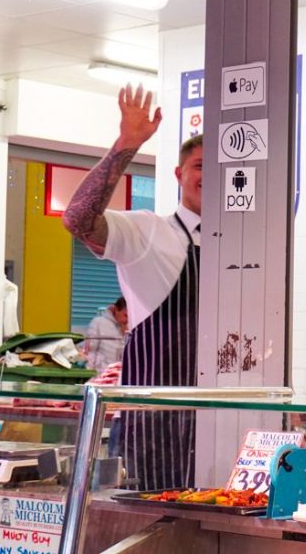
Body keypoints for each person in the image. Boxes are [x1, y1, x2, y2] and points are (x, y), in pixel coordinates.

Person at [63, 83, 201, 491]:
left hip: (224, 422)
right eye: (200, 165)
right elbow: (78, 219)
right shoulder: (147, 232)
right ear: (178, 174)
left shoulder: (248, 249)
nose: (211, 175)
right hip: (156, 427)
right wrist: (125, 145)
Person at [84, 296, 128, 373]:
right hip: (100, 374)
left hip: (119, 376)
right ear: (116, 310)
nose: (127, 320)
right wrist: (90, 375)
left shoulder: (130, 327)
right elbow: (90, 351)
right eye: (125, 315)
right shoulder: (98, 323)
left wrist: (125, 335)